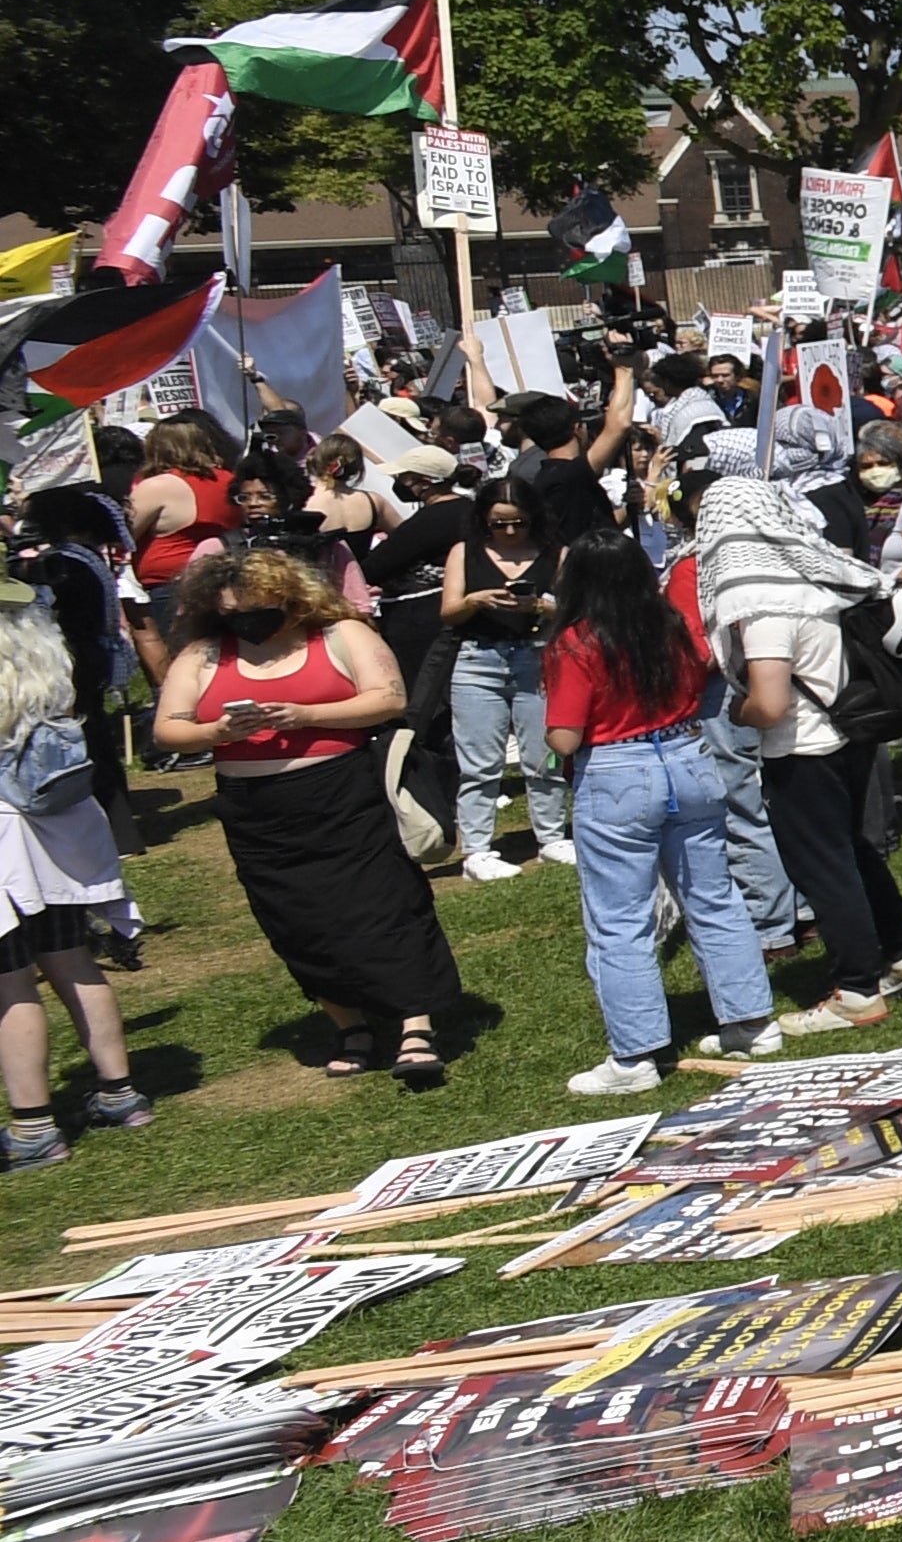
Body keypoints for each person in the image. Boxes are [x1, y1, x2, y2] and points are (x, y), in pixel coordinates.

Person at [151, 543, 459, 1087]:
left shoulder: (342, 635)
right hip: (256, 812)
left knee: (382, 906)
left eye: (256, 605)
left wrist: (305, 713)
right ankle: (351, 1025)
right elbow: (168, 728)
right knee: (295, 920)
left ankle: (416, 1025)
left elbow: (388, 698)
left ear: (290, 596)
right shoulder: (201, 654)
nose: (246, 618)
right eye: (231, 610)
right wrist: (215, 733)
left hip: (341, 795)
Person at [693, 475, 902, 1031]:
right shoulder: (815, 576)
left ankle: (856, 989)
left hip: (802, 751)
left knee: (824, 867)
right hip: (849, 736)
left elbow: (770, 702)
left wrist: (737, 714)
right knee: (852, 850)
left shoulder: (761, 599)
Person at [537, 533, 777, 1094]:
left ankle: (635, 1056)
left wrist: (549, 735)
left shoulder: (574, 643)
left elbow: (565, 738)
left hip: (617, 772)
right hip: (688, 756)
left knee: (619, 920)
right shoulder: (668, 624)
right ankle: (752, 1022)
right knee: (713, 896)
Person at [0, 589, 149, 1161]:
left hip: (11, 837)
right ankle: (121, 1093)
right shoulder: (45, 657)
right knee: (71, 960)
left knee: (10, 981)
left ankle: (34, 1129)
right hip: (59, 830)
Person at [436, 482, 564, 879]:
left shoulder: (557, 554)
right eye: (499, 524)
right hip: (478, 659)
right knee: (479, 762)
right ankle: (476, 849)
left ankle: (552, 837)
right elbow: (449, 611)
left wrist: (540, 605)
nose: (510, 533)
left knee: (545, 756)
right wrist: (476, 600)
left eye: (519, 523)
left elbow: (573, 610)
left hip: (537, 656)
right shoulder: (465, 552)